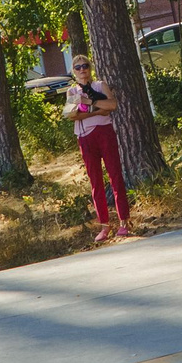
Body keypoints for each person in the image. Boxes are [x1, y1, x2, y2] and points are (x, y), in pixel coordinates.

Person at [66, 57, 130, 243]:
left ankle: (124, 221)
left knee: (115, 175)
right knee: (96, 182)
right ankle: (104, 225)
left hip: (104, 133)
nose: (82, 70)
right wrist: (95, 110)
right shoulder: (72, 91)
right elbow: (71, 115)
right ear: (74, 71)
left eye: (85, 66)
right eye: (78, 67)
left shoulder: (100, 86)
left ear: (90, 68)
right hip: (84, 138)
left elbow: (111, 105)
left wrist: (88, 101)